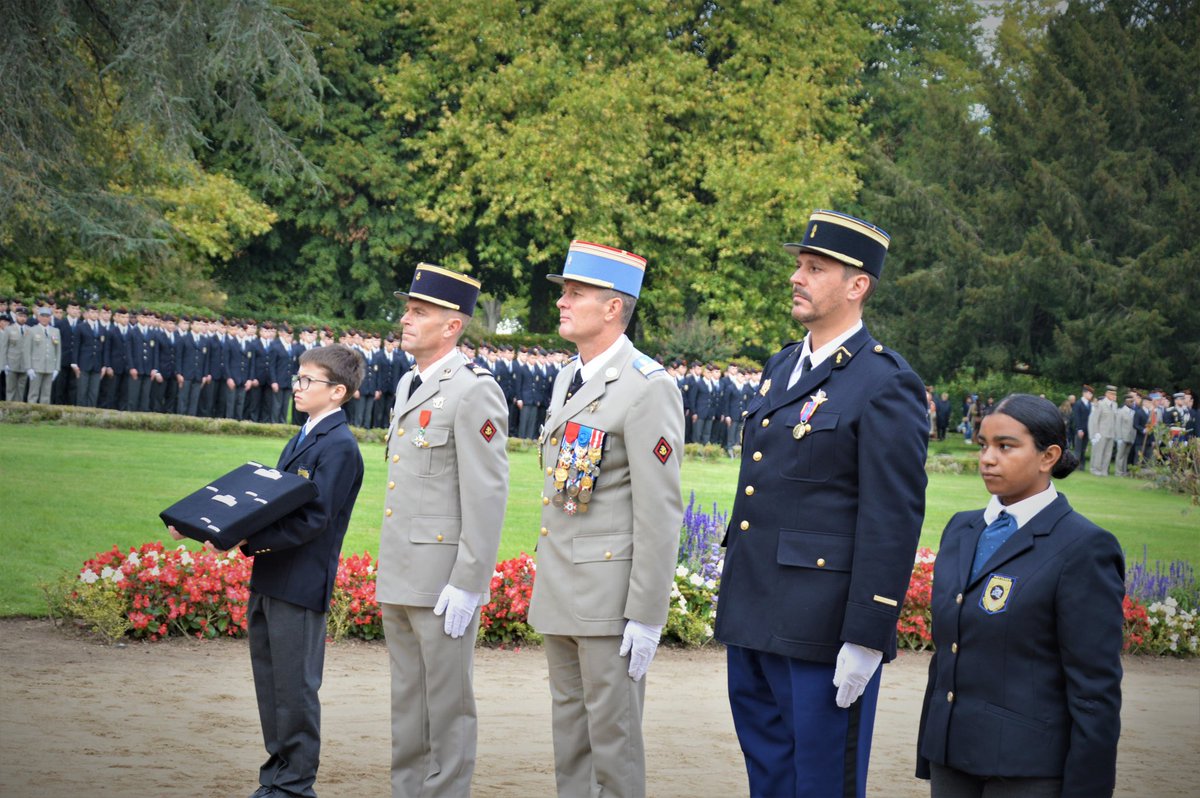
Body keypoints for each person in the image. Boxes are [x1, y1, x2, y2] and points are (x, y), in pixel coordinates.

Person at [714, 209, 928, 798]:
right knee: (769, 776)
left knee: (822, 784)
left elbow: (893, 516)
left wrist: (866, 634)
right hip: (755, 610)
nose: (797, 277)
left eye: (815, 268)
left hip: (822, 626)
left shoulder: (885, 383)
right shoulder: (783, 365)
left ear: (858, 286)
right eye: (799, 265)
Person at [171, 343, 365, 798]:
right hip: (273, 577)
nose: (296, 386)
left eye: (307, 380)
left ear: (337, 392)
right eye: (297, 377)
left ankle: (295, 785)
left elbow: (314, 520)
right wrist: (209, 525)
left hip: (299, 582)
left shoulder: (339, 447)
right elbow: (269, 504)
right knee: (272, 685)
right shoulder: (303, 437)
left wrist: (246, 540)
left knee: (295, 691)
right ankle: (276, 778)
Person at [528, 240, 684, 798]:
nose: (563, 303)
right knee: (569, 742)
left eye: (575, 293)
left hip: (610, 602)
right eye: (564, 292)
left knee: (613, 749)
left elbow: (660, 511)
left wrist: (646, 614)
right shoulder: (569, 376)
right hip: (563, 589)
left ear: (613, 307)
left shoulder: (647, 387)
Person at [916, 393, 1124, 797]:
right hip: (953, 756)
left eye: (1005, 446)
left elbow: (1094, 689)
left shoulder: (1083, 547)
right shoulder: (962, 530)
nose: (987, 458)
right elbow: (949, 651)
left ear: (1048, 456)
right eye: (983, 445)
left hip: (1027, 769)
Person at [376, 264, 509, 798]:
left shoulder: (473, 391)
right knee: (407, 698)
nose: (406, 320)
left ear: (452, 326)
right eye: (408, 309)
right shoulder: (412, 382)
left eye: (419, 312)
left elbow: (487, 493)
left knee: (447, 704)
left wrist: (470, 580)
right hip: (403, 568)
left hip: (442, 576)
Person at [22, 307, 62, 404]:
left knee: (46, 395)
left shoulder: (55, 331)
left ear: (50, 318)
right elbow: (27, 350)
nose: (45, 318)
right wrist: (29, 367)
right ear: (38, 317)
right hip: (36, 366)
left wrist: (57, 368)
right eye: (43, 316)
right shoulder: (32, 330)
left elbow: (58, 350)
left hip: (50, 367)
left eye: (47, 316)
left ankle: (43, 416)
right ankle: (31, 415)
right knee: (33, 394)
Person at [1088, 384, 1119, 476]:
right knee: (1099, 452)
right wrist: (1096, 433)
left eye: (1115, 395)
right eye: (1113, 395)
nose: (1115, 396)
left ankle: (1104, 471)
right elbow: (1095, 420)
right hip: (1101, 432)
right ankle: (1096, 470)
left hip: (1111, 433)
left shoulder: (1115, 405)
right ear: (1107, 394)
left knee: (1108, 454)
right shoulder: (1101, 404)